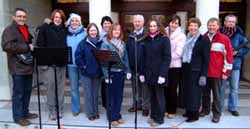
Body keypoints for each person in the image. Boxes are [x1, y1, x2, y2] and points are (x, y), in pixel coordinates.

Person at [1, 8, 38, 126]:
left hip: (27, 66)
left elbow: (30, 42)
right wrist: (27, 47)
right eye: (19, 16)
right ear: (14, 17)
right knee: (18, 94)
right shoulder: (9, 30)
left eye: (23, 16)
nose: (22, 18)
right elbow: (6, 46)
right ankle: (18, 117)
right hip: (17, 68)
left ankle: (25, 112)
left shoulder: (25, 28)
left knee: (27, 92)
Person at [201, 17, 233, 123]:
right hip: (205, 72)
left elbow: (228, 57)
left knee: (217, 95)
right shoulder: (203, 37)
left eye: (214, 25)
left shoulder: (224, 39)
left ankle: (216, 114)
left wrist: (226, 71)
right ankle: (205, 110)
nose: (211, 27)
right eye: (210, 25)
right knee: (205, 93)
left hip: (217, 73)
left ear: (218, 26)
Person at [36, 9, 67, 120]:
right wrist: (43, 64)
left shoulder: (65, 29)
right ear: (52, 18)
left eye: (60, 17)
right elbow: (40, 45)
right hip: (49, 65)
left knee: (60, 89)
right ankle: (52, 111)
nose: (58, 19)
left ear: (62, 19)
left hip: (62, 64)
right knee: (50, 89)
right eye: (56, 17)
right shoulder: (45, 28)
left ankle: (60, 110)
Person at [101, 23, 130, 127]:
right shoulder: (106, 43)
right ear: (111, 31)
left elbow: (125, 58)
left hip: (120, 73)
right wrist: (106, 76)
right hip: (111, 73)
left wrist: (128, 71)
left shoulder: (122, 43)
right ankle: (111, 117)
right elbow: (103, 62)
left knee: (119, 96)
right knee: (111, 97)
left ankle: (117, 115)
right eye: (114, 30)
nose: (116, 32)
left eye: (118, 30)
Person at [220, 14, 249, 116]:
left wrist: (238, 52)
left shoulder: (240, 35)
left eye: (233, 22)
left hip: (235, 64)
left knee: (234, 88)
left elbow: (246, 49)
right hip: (221, 65)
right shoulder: (219, 34)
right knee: (221, 88)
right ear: (225, 22)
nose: (231, 23)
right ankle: (219, 107)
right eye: (229, 21)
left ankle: (233, 108)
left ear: (235, 23)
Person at [182, 18, 210, 122]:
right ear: (188, 27)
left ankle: (194, 115)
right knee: (187, 91)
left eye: (195, 26)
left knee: (195, 93)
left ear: (198, 27)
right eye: (191, 25)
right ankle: (189, 111)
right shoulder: (187, 37)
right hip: (186, 68)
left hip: (196, 70)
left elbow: (206, 59)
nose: (193, 28)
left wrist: (204, 75)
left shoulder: (204, 39)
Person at [144, 19, 171, 127]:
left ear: (159, 27)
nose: (152, 28)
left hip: (159, 74)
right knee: (153, 97)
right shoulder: (146, 39)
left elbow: (167, 58)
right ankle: (153, 116)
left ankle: (159, 119)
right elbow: (144, 57)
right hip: (149, 73)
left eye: (154, 26)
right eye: (150, 26)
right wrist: (143, 72)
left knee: (159, 97)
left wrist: (163, 74)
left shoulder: (164, 39)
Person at [75, 23, 102, 121]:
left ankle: (96, 112)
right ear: (88, 32)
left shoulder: (101, 42)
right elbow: (78, 57)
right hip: (86, 73)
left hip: (97, 73)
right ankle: (90, 113)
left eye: (95, 30)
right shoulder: (83, 43)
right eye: (91, 30)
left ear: (97, 31)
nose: (93, 32)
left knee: (95, 94)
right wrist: (83, 66)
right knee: (88, 94)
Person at [126, 14, 150, 116]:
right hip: (133, 67)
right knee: (135, 88)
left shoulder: (147, 35)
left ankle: (145, 107)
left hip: (144, 68)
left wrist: (144, 70)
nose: (137, 23)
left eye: (139, 21)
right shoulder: (131, 36)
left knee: (145, 89)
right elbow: (127, 51)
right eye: (135, 21)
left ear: (143, 22)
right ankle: (136, 104)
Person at [165, 14, 186, 119]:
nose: (174, 25)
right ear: (169, 22)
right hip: (164, 66)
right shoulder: (163, 32)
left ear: (179, 25)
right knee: (165, 88)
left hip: (175, 66)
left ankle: (172, 110)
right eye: (172, 22)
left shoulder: (181, 36)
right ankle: (165, 108)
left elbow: (179, 53)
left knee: (172, 89)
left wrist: (166, 58)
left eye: (176, 23)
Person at [66, 13, 86, 116]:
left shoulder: (85, 33)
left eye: (76, 21)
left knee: (86, 87)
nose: (74, 22)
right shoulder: (66, 34)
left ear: (79, 22)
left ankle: (89, 108)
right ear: (69, 22)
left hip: (82, 64)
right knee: (74, 88)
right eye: (72, 21)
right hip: (71, 65)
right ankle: (76, 108)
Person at [99, 16, 113, 108]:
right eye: (105, 23)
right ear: (102, 25)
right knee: (104, 83)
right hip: (102, 62)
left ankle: (112, 101)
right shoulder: (99, 36)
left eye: (108, 23)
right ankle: (105, 103)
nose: (107, 25)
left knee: (112, 83)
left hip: (113, 62)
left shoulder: (114, 34)